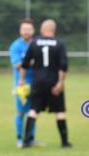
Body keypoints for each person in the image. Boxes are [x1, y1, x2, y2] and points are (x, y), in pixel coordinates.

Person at [19, 19, 72, 148]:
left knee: (33, 110)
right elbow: (63, 66)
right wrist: (60, 83)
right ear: (54, 30)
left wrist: (21, 80)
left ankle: (26, 140)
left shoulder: (35, 42)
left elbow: (25, 64)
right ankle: (64, 142)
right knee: (60, 111)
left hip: (38, 81)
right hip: (54, 82)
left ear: (42, 30)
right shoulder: (59, 44)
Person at [9, 18, 37, 148]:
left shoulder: (37, 44)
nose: (26, 31)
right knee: (20, 112)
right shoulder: (16, 46)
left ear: (33, 30)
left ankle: (31, 138)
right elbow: (17, 65)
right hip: (22, 84)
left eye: (28, 29)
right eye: (24, 29)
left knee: (33, 111)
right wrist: (30, 62)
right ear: (20, 31)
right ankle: (19, 138)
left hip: (36, 83)